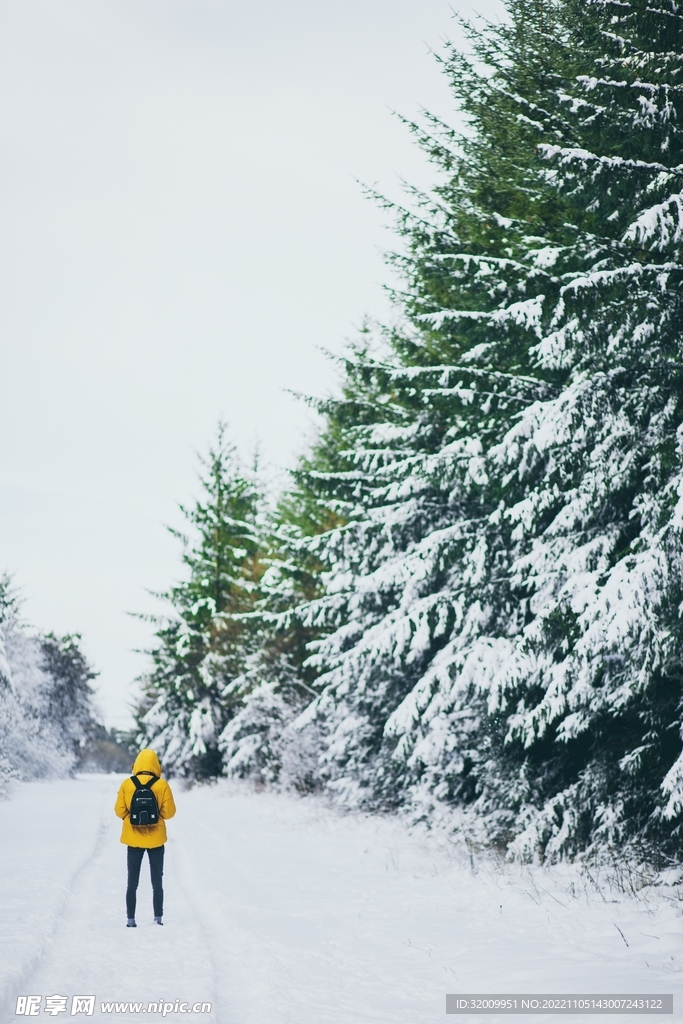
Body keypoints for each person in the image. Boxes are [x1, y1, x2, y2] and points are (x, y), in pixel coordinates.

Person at [115, 748, 176, 928]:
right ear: (156, 765)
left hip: (133, 840)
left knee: (132, 881)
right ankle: (158, 918)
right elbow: (170, 813)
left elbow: (119, 811)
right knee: (157, 881)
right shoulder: (162, 785)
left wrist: (131, 818)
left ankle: (131, 920)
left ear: (136, 764)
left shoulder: (127, 784)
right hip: (156, 841)